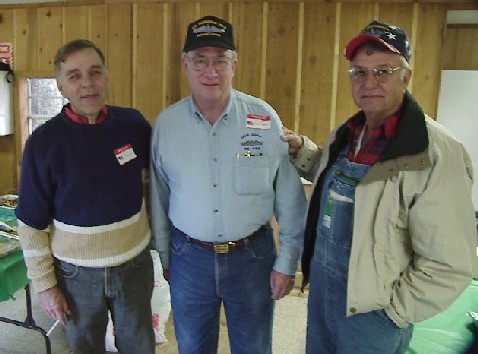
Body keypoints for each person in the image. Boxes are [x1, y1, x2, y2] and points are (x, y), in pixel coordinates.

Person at [281, 20, 476, 353]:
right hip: (324, 295)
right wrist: (302, 150)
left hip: (373, 316)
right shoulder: (348, 133)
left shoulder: (436, 152)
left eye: (382, 70)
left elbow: (450, 264)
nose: (369, 82)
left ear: (406, 76)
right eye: (358, 72)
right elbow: (344, 185)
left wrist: (394, 312)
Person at [150, 15, 306, 354]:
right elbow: (159, 198)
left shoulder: (264, 119)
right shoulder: (166, 126)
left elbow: (290, 198)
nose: (211, 71)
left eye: (220, 60)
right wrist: (163, 255)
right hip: (188, 259)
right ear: (185, 65)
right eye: (200, 61)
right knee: (192, 347)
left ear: (234, 64)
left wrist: (287, 261)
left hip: (252, 258)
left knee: (253, 347)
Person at [15, 39, 155, 354]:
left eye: (95, 72)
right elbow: (31, 224)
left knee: (140, 346)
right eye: (75, 76)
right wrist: (46, 287)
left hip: (134, 266)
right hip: (75, 275)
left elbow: (157, 182)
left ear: (106, 77)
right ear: (61, 86)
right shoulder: (43, 143)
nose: (87, 83)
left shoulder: (133, 124)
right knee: (85, 349)